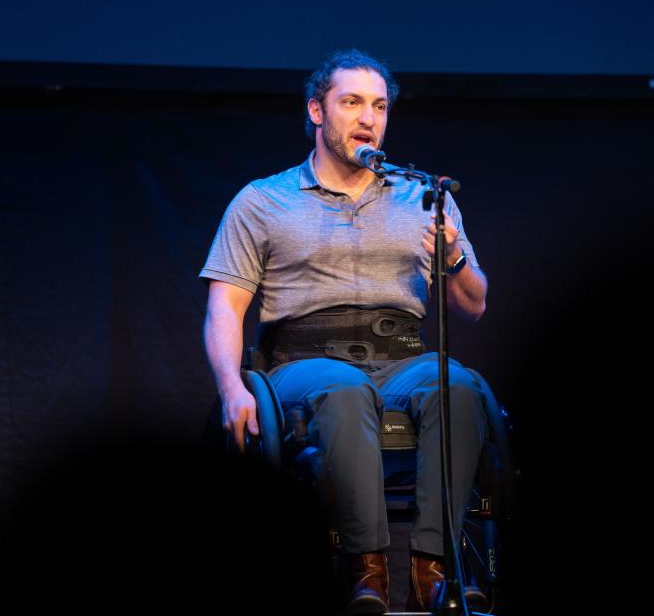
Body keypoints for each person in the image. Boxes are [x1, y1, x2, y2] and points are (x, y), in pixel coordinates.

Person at [201, 49, 494, 614]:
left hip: (402, 356)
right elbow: (224, 307)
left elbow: (473, 306)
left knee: (459, 388)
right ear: (316, 110)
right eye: (352, 102)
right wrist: (230, 388)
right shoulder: (264, 200)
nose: (368, 117)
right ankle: (367, 569)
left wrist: (455, 260)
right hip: (303, 362)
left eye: (379, 105)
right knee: (343, 389)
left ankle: (435, 568)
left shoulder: (425, 198)